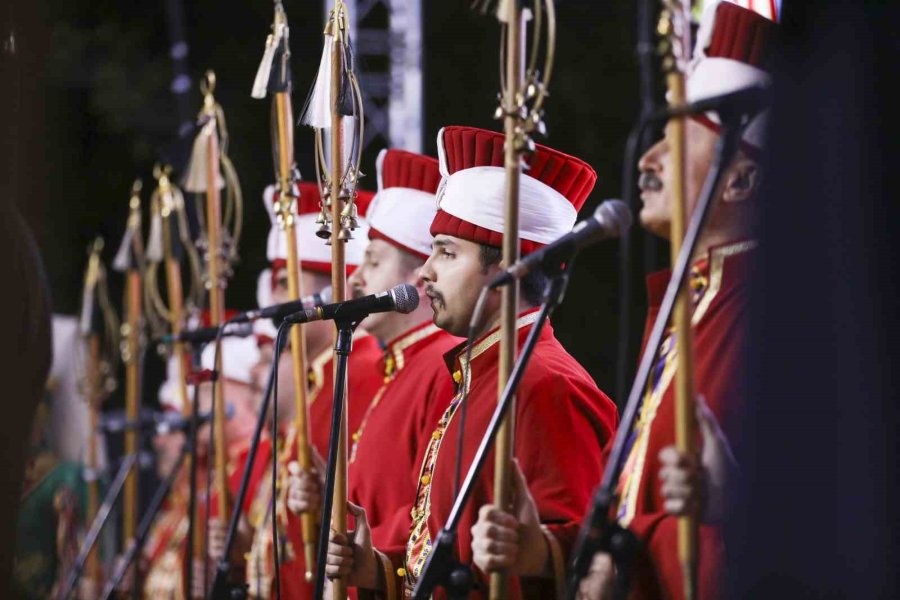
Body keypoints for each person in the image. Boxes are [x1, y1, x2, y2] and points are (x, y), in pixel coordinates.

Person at [323, 126, 619, 598]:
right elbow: (449, 561)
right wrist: (376, 568)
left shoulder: (546, 384)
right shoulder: (480, 376)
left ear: (506, 268)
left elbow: (593, 561)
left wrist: (543, 552)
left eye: (446, 252)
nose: (426, 271)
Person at [572, 4, 777, 599]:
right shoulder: (683, 306)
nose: (646, 160)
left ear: (741, 179)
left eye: (676, 139)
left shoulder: (775, 318)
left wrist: (728, 509)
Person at [285, 148, 461, 572]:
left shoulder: (441, 368)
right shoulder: (399, 367)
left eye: (374, 261)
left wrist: (370, 559)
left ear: (418, 278)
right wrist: (327, 497)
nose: (357, 279)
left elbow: (431, 510)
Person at [240, 182, 383, 599]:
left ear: (333, 290)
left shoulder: (359, 375)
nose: (276, 298)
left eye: (286, 281)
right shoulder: (318, 384)